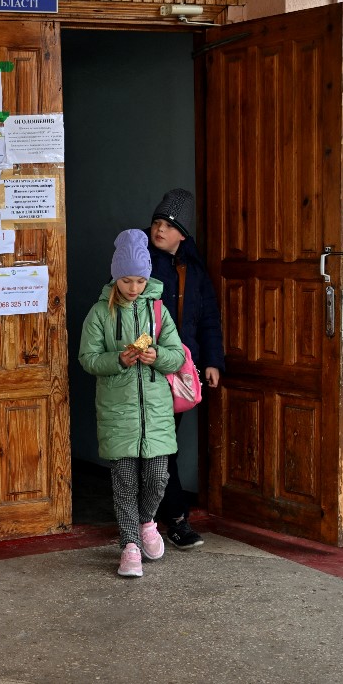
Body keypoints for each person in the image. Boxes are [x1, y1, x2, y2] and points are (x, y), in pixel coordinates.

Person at [79, 229, 185, 577]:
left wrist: (156, 356)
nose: (134, 288)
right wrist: (118, 360)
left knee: (157, 478)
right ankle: (129, 547)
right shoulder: (99, 313)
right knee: (124, 481)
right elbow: (88, 359)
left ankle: (147, 523)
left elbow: (177, 355)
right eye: (127, 280)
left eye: (140, 280)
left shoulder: (158, 311)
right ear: (115, 277)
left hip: (155, 412)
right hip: (117, 411)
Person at [147, 188, 226, 549]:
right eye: (156, 223)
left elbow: (208, 318)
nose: (159, 230)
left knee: (164, 445)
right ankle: (174, 518)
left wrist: (211, 361)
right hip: (147, 368)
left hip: (182, 371)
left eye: (168, 225)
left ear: (182, 234)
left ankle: (160, 517)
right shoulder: (141, 266)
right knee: (159, 446)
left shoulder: (193, 270)